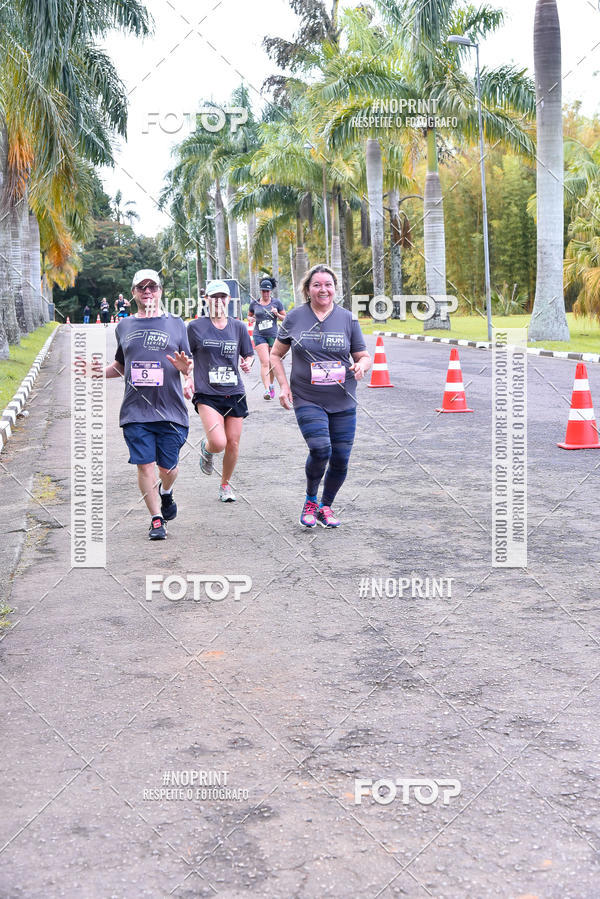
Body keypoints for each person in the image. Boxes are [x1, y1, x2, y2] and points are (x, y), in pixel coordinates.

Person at [270, 264, 371, 528]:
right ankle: (311, 500)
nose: (323, 289)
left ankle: (326, 507)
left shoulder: (348, 319)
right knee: (320, 448)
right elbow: (275, 354)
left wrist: (361, 366)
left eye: (328, 284)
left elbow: (363, 355)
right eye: (317, 285)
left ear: (335, 289)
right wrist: (283, 385)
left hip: (343, 399)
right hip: (307, 397)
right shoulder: (294, 318)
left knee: (341, 458)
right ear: (307, 289)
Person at [103, 269, 192, 540]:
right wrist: (95, 372)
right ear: (133, 294)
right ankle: (156, 519)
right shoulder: (124, 326)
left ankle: (166, 492)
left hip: (170, 409)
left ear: (160, 291)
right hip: (135, 411)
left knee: (168, 469)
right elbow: (121, 365)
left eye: (152, 287)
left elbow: (188, 363)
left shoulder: (176, 324)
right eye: (141, 288)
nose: (147, 291)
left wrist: (185, 371)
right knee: (145, 466)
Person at [185, 279, 254, 503]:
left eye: (222, 297)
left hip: (234, 391)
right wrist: (187, 376)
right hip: (207, 393)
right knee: (218, 442)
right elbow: (185, 357)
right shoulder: (195, 328)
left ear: (228, 300)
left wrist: (248, 363)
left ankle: (224, 484)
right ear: (206, 300)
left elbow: (248, 354)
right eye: (213, 297)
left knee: (233, 443)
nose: (218, 301)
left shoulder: (238, 327)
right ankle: (207, 449)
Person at [247, 277, 285, 400]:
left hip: (273, 335)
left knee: (272, 363)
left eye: (267, 291)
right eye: (263, 291)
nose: (265, 293)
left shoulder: (277, 303)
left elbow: (285, 318)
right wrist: (250, 319)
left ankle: (271, 385)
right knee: (265, 362)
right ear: (260, 291)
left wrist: (277, 314)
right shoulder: (254, 303)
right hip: (259, 335)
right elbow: (249, 316)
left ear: (271, 291)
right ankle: (267, 389)